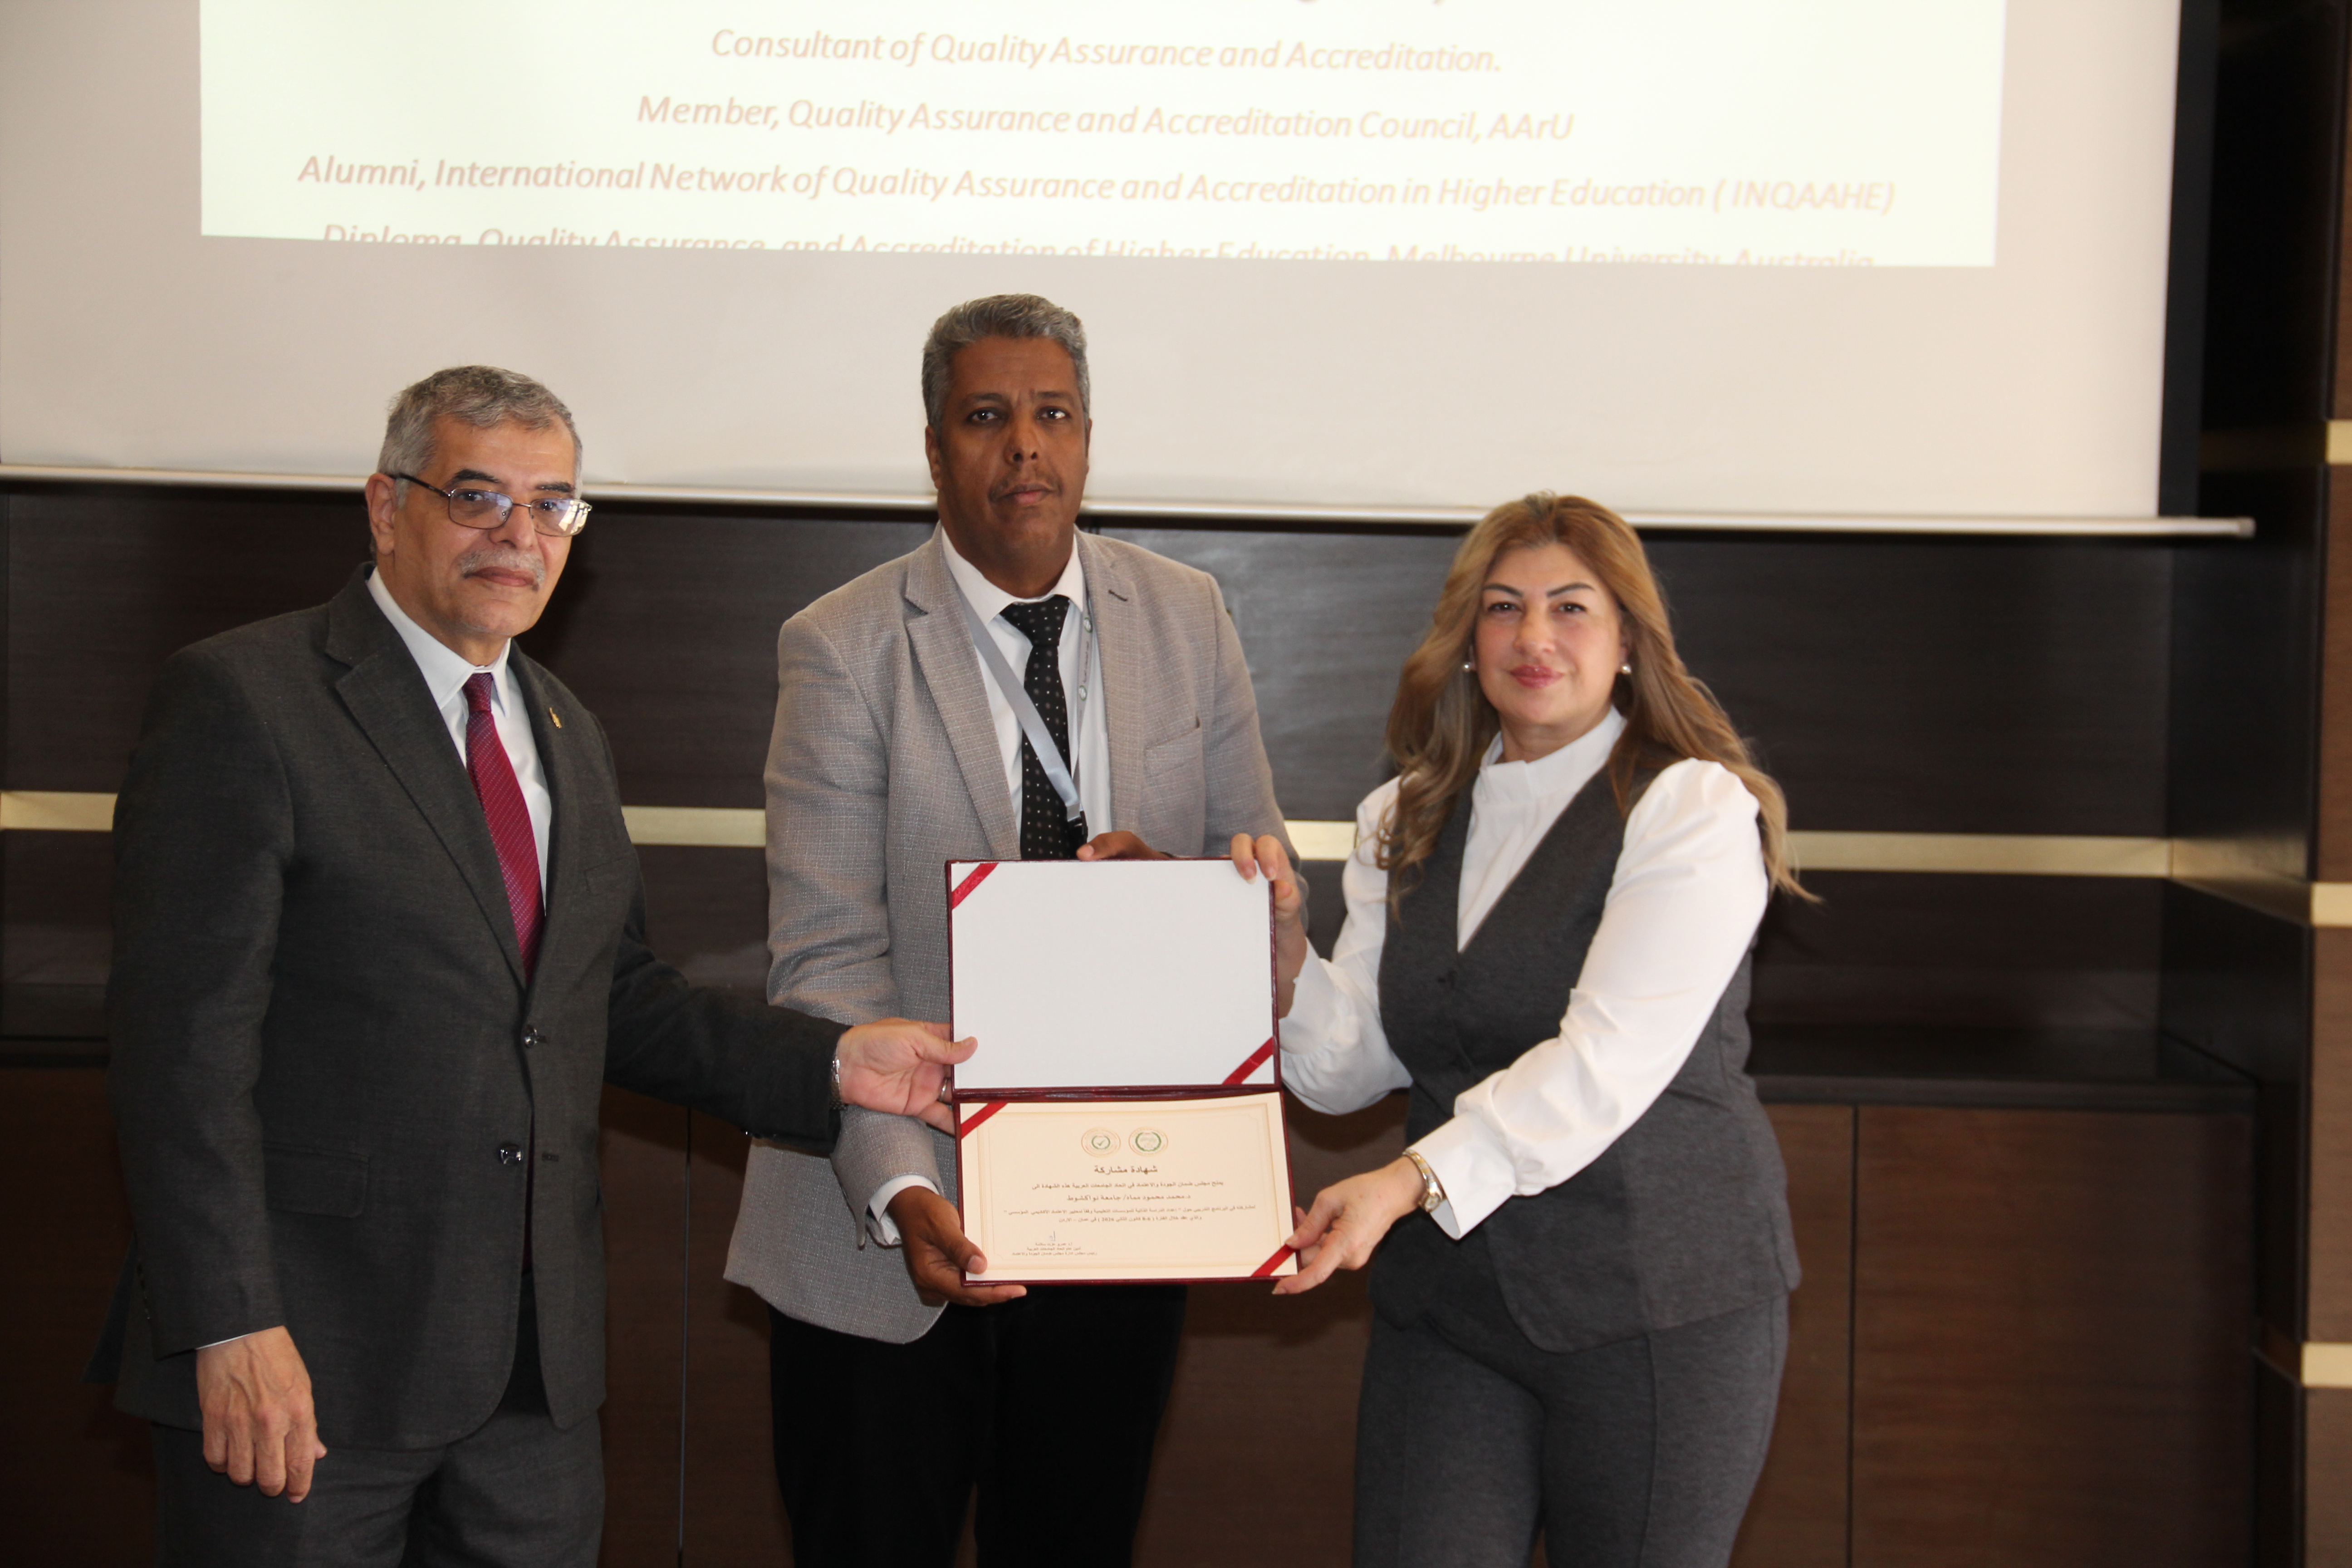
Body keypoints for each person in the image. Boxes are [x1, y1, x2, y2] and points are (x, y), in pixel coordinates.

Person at [89, 366, 971, 1568]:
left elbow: (608, 998)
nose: (520, 534)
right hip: (308, 1366)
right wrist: (228, 1324)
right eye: (477, 496)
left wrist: (835, 1063)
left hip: (529, 1382)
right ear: (386, 507)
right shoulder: (244, 700)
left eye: (552, 505)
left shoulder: (563, 726)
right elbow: (181, 1059)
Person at [723, 294, 1295, 1566]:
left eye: (1053, 415)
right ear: (935, 449)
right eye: (987, 417)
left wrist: (1202, 903)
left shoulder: (1190, 616)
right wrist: (906, 1188)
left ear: (1088, 438)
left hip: (1121, 1210)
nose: (1024, 445)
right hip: (884, 1225)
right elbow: (824, 962)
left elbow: (1263, 897)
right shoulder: (842, 645)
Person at [1233, 493, 1804, 1568]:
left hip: (1658, 1303)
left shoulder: (1690, 808)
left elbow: (1604, 1063)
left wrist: (1405, 1182)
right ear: (1467, 640)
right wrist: (1285, 958)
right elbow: (1357, 1066)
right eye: (1503, 608)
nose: (1534, 637)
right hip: (1451, 1311)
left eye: (1571, 607)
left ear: (1628, 641)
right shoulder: (1403, 814)